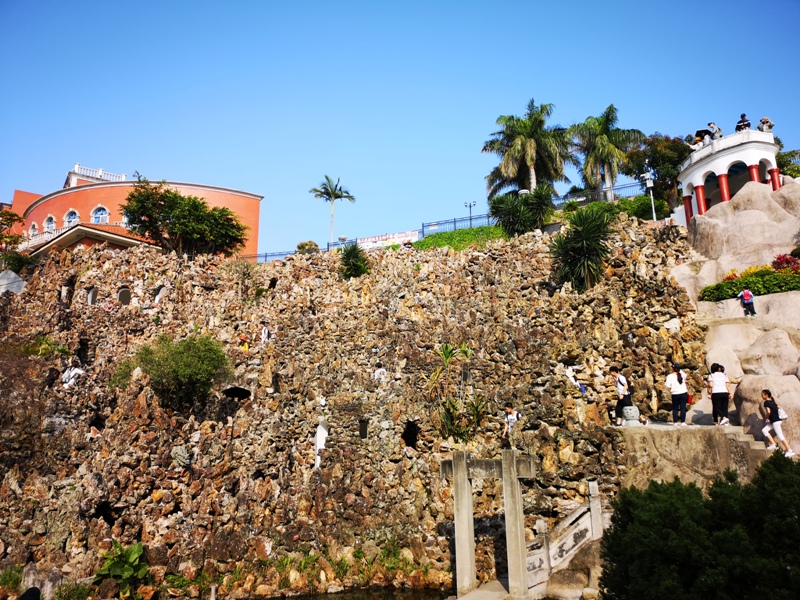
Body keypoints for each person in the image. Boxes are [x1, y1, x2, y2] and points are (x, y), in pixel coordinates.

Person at [761, 389, 795, 457]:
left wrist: (767, 417)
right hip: (776, 420)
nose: (761, 396)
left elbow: (768, 411)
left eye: (762, 395)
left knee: (780, 436)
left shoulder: (766, 402)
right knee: (764, 430)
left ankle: (790, 450)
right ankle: (773, 444)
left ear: (766, 395)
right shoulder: (772, 401)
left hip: (775, 421)